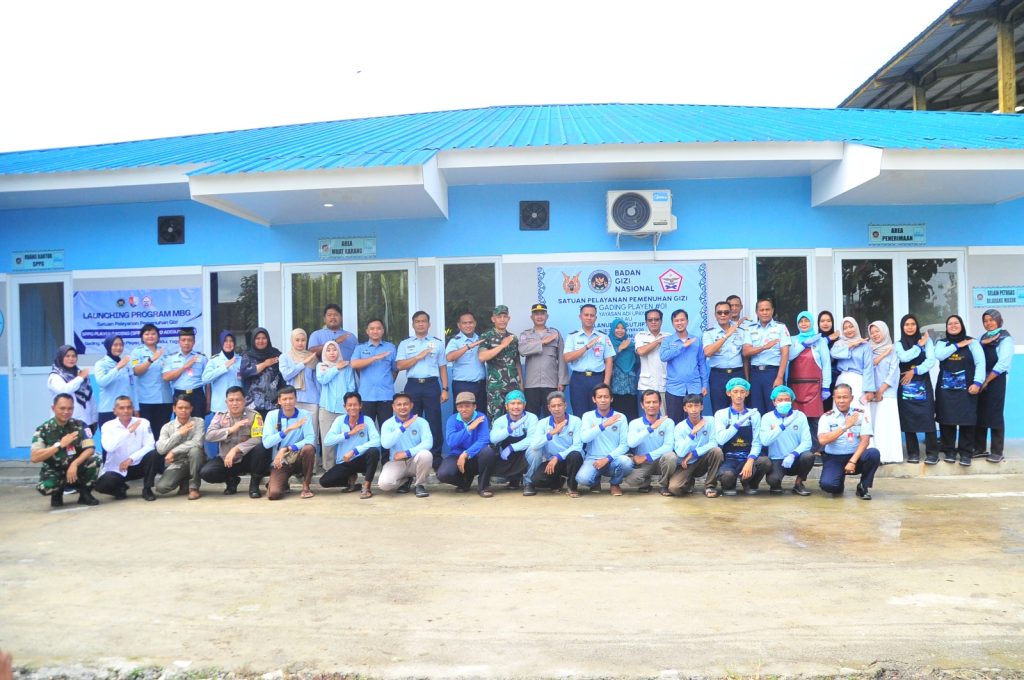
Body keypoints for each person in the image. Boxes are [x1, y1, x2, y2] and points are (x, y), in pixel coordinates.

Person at [396, 311, 448, 470]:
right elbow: (400, 365)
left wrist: (445, 388)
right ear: (413, 324)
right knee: (411, 421)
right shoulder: (405, 344)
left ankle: (436, 457)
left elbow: (442, 367)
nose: (420, 324)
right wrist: (418, 356)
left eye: (423, 321)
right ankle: (412, 457)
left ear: (429, 324)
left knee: (434, 422)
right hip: (412, 386)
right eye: (417, 321)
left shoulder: (437, 343)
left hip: (431, 385)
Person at [201, 386, 272, 498]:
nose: (234, 403)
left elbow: (258, 438)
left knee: (262, 448)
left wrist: (236, 449)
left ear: (245, 400)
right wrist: (231, 430)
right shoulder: (220, 416)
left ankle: (254, 485)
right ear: (226, 402)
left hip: (247, 459)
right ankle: (231, 480)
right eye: (231, 400)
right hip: (227, 460)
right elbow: (209, 436)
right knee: (207, 472)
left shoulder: (254, 415)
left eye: (238, 400)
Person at [30, 394, 100, 508]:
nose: (66, 412)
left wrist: (74, 464)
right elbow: (35, 457)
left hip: (76, 468)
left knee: (96, 459)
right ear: (53, 408)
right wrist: (59, 445)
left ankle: (85, 493)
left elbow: (90, 449)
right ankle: (57, 492)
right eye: (62, 408)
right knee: (45, 487)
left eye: (70, 408)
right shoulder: (43, 429)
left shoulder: (80, 425)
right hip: (55, 470)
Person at [934, 314, 984, 466]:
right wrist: (957, 345)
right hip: (945, 390)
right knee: (946, 420)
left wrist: (977, 383)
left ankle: (965, 453)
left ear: (961, 325)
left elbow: (980, 363)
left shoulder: (972, 343)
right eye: (950, 324)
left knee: (967, 420)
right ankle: (949, 451)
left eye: (956, 323)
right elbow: (939, 355)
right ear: (946, 327)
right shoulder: (942, 343)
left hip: (967, 389)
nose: (953, 326)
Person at [817, 383, 881, 499]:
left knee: (873, 453)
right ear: (834, 398)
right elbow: (822, 440)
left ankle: (863, 486)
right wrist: (845, 427)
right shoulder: (826, 417)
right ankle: (838, 482)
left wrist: (852, 461)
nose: (841, 401)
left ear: (851, 398)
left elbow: (865, 441)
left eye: (845, 397)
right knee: (828, 486)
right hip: (834, 457)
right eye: (838, 397)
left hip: (856, 456)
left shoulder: (860, 414)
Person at [95, 395, 158, 501]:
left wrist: (131, 459)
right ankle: (120, 489)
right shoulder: (107, 426)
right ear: (115, 411)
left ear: (133, 409)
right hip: (117, 468)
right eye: (121, 408)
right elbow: (109, 448)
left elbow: (149, 445)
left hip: (138, 465)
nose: (126, 411)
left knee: (154, 454)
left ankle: (147, 489)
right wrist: (128, 432)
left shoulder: (143, 422)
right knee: (101, 486)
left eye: (129, 407)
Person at [713, 378, 769, 496]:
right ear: (728, 393)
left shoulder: (754, 414)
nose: (739, 395)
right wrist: (737, 424)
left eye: (742, 392)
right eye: (735, 391)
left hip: (747, 456)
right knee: (727, 476)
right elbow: (721, 439)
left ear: (747, 393)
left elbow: (757, 441)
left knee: (765, 462)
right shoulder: (721, 414)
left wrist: (750, 460)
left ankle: (749, 483)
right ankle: (729, 484)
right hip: (729, 458)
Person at [478, 390, 540, 497]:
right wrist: (509, 430)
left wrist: (511, 447)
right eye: (512, 403)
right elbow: (493, 439)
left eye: (519, 403)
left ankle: (528, 483)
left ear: (524, 405)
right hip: (506, 459)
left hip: (523, 457)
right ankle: (510, 479)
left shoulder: (532, 418)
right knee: (487, 452)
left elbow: (532, 439)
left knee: (535, 450)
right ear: (506, 406)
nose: (516, 407)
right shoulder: (500, 421)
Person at [320, 392, 381, 499]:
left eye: (355, 404)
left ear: (360, 405)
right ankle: (350, 482)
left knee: (373, 452)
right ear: (345, 407)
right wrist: (349, 433)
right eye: (349, 405)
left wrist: (354, 451)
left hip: (361, 460)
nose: (352, 407)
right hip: (345, 461)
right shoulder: (339, 420)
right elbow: (327, 441)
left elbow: (377, 441)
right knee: (324, 481)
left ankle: (366, 487)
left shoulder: (367, 420)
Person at [895, 314, 938, 464]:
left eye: (913, 324)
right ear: (902, 327)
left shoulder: (927, 341)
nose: (910, 327)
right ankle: (913, 453)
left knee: (928, 417)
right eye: (906, 324)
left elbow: (931, 361)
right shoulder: (898, 344)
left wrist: (915, 371)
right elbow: (904, 358)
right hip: (905, 385)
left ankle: (932, 453)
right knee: (908, 419)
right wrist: (919, 346)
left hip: (922, 382)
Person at [261, 386, 316, 500]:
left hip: (299, 457)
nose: (288, 402)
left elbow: (310, 438)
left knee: (309, 449)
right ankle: (281, 484)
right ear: (279, 401)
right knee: (273, 494)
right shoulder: (272, 415)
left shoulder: (304, 414)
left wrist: (287, 448)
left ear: (296, 399)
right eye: (284, 399)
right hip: (281, 461)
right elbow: (266, 443)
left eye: (291, 398)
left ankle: (306, 485)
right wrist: (287, 430)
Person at [576, 383, 632, 496]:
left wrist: (607, 458)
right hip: (593, 459)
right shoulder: (587, 416)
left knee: (627, 462)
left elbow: (625, 445)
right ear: (594, 399)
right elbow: (584, 438)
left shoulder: (620, 417)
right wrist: (603, 425)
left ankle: (615, 484)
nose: (603, 400)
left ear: (611, 399)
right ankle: (595, 481)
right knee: (582, 479)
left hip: (613, 459)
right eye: (599, 397)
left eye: (606, 397)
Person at [758, 386, 814, 495]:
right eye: (780, 400)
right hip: (777, 459)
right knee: (773, 481)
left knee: (808, 456)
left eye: (787, 400)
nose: (783, 402)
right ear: (774, 402)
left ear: (791, 401)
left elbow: (807, 442)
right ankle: (777, 484)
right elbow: (765, 441)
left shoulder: (800, 416)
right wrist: (781, 427)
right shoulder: (767, 417)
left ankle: (799, 483)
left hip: (796, 458)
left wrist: (793, 454)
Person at [787, 311, 830, 451]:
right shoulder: (792, 340)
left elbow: (826, 365)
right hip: (795, 386)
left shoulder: (820, 341)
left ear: (811, 323)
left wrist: (826, 386)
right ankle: (798, 449)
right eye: (801, 321)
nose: (804, 324)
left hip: (815, 386)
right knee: (796, 419)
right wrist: (804, 344)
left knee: (815, 420)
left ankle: (818, 450)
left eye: (806, 321)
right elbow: (790, 356)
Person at [563, 304, 615, 418]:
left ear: (596, 318)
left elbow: (609, 360)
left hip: (597, 378)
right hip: (578, 379)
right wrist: (586, 347)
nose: (589, 318)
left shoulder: (603, 336)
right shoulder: (573, 336)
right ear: (580, 317)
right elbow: (567, 358)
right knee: (579, 412)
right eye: (586, 315)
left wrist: (606, 383)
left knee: (599, 412)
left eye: (592, 315)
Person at [528, 391, 585, 496]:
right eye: (553, 406)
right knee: (537, 480)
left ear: (565, 406)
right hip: (552, 462)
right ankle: (558, 481)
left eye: (560, 405)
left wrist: (558, 457)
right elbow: (534, 445)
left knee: (575, 455)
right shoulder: (542, 423)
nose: (557, 408)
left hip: (571, 461)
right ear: (549, 408)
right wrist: (551, 433)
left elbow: (577, 446)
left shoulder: (576, 421)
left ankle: (572, 487)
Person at [377, 392, 433, 497]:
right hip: (396, 462)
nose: (402, 407)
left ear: (411, 405)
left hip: (415, 460)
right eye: (399, 404)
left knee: (426, 455)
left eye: (405, 404)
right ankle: (406, 481)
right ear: (393, 407)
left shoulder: (421, 422)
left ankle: (420, 485)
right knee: (384, 484)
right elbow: (385, 444)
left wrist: (407, 453)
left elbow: (428, 443)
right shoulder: (388, 424)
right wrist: (403, 427)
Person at [669, 393, 724, 497]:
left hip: (702, 460)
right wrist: (692, 434)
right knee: (674, 488)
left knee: (717, 451)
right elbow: (680, 452)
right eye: (690, 406)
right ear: (685, 408)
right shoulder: (679, 427)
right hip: (685, 464)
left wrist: (694, 453)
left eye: (696, 405)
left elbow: (714, 442)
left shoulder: (710, 421)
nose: (693, 410)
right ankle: (689, 482)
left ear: (702, 407)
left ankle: (710, 486)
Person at [518, 303, 568, 418]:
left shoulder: (555, 334)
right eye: (536, 314)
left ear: (547, 316)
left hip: (551, 383)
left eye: (542, 314)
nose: (539, 316)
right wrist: (542, 342)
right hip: (531, 384)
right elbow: (522, 350)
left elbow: (562, 358)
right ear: (531, 317)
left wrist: (562, 381)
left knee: (552, 416)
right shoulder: (525, 334)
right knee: (531, 416)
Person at [279, 328, 321, 463]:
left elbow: (316, 380)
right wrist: (303, 363)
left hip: (312, 399)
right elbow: (287, 375)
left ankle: (311, 466)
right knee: (294, 433)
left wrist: (320, 399)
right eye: (297, 340)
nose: (300, 343)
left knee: (312, 433)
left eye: (303, 340)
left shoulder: (312, 357)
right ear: (292, 341)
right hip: (292, 400)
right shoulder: (285, 357)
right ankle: (291, 463)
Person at [622, 390, 676, 495]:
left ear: (660, 404)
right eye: (648, 402)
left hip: (661, 460)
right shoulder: (635, 423)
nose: (651, 405)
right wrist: (650, 429)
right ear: (642, 405)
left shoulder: (668, 422)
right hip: (643, 463)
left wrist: (647, 456)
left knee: (671, 457)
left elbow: (668, 446)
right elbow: (631, 443)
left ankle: (664, 485)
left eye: (655, 402)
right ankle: (646, 483)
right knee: (631, 480)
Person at [742, 298, 790, 414]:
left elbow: (785, 353)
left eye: (767, 309)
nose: (765, 312)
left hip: (773, 373)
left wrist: (779, 377)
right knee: (756, 410)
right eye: (761, 310)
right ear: (756, 312)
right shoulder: (750, 328)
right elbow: (746, 352)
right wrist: (764, 347)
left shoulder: (780, 327)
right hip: (755, 374)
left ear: (772, 310)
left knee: (775, 408)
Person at [976, 309, 1012, 463]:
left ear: (998, 320)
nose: (988, 323)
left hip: (996, 379)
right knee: (979, 412)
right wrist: (982, 343)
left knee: (995, 413)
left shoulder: (1005, 338)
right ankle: (979, 448)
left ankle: (997, 451)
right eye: (985, 321)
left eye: (991, 320)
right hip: (981, 379)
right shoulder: (982, 338)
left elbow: (1003, 363)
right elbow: (975, 353)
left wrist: (987, 381)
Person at [478, 305, 525, 424]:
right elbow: (482, 357)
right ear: (493, 319)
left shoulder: (513, 338)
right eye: (499, 317)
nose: (502, 320)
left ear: (509, 318)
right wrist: (502, 345)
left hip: (513, 386)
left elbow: (516, 362)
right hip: (496, 388)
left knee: (515, 419)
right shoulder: (486, 336)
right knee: (496, 420)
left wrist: (521, 384)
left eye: (505, 317)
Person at [660, 309, 708, 423]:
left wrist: (704, 385)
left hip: (694, 387)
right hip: (674, 389)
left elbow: (702, 363)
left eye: (682, 320)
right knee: (674, 422)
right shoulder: (667, 340)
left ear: (687, 321)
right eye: (676, 320)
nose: (679, 323)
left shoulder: (696, 340)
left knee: (695, 421)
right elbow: (663, 357)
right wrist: (682, 346)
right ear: (672, 323)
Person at [864, 320, 903, 464]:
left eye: (877, 331)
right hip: (871, 393)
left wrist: (881, 390)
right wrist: (873, 390)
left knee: (886, 425)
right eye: (872, 332)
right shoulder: (868, 349)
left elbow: (894, 372)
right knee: (874, 425)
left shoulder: (893, 350)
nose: (875, 335)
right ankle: (875, 456)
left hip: (887, 393)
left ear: (884, 331)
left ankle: (888, 456)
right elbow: (868, 366)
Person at [437, 391, 490, 493]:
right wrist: (468, 429)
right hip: (457, 455)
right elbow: (451, 442)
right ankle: (464, 483)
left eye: (467, 406)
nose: (464, 409)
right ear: (457, 408)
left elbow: (484, 440)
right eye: (460, 406)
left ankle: (483, 487)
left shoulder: (481, 417)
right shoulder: (452, 420)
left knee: (488, 452)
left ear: (474, 406)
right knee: (443, 474)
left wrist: (466, 454)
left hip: (476, 456)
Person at [351, 319, 398, 429]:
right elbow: (354, 364)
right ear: (367, 331)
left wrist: (387, 382)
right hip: (366, 396)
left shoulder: (390, 348)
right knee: (365, 430)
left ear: (383, 331)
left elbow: (395, 369)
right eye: (372, 329)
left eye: (378, 328)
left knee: (386, 430)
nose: (375, 331)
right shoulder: (360, 348)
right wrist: (374, 358)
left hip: (386, 396)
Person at [155, 395, 206, 499]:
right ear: (174, 408)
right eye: (180, 407)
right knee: (161, 488)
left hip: (196, 459)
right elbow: (161, 449)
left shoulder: (198, 422)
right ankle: (184, 481)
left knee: (195, 451)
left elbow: (198, 442)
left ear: (191, 409)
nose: (183, 410)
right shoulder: (167, 427)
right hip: (177, 463)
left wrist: (173, 451)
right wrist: (178, 434)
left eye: (186, 408)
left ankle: (194, 488)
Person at [317, 339, 356, 472]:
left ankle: (344, 467)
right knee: (327, 439)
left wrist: (350, 406)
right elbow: (322, 379)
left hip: (344, 409)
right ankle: (329, 468)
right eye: (328, 350)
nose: (332, 353)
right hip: (326, 408)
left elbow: (351, 386)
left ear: (339, 351)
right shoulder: (321, 366)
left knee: (345, 438)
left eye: (334, 349)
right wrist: (335, 368)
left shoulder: (347, 367)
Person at [130, 323, 172, 438]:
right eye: (147, 334)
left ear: (158, 336)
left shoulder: (165, 351)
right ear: (142, 337)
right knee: (147, 434)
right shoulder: (137, 352)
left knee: (162, 434)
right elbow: (136, 371)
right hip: (146, 400)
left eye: (153, 333)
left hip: (165, 399)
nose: (150, 336)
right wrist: (151, 360)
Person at [703, 301, 745, 414]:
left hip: (737, 374)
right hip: (718, 376)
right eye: (719, 312)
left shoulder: (741, 331)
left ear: (730, 314)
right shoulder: (709, 333)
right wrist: (726, 335)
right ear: (715, 314)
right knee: (719, 410)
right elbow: (708, 352)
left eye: (726, 312)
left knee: (739, 409)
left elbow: (746, 355)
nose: (723, 315)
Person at [161, 326, 209, 418]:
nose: (186, 343)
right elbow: (166, 377)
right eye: (183, 340)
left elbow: (208, 383)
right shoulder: (171, 358)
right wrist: (184, 367)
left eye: (189, 340)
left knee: (198, 424)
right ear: (179, 342)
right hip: (179, 395)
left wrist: (208, 401)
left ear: (194, 342)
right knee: (180, 424)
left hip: (197, 395)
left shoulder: (202, 358)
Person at [47, 345, 96, 431]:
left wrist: (94, 419)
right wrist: (80, 378)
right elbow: (64, 390)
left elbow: (90, 397)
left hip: (85, 421)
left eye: (73, 356)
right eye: (67, 356)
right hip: (64, 422)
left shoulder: (80, 373)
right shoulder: (55, 376)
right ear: (61, 357)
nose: (71, 359)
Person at [446, 311, 487, 412]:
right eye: (464, 323)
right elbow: (449, 357)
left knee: (481, 414)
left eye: (470, 322)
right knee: (463, 415)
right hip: (463, 385)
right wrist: (468, 347)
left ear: (475, 323)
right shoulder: (455, 341)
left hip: (481, 385)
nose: (468, 325)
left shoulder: (481, 339)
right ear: (459, 325)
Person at [830, 316, 877, 406]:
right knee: (840, 407)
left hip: (859, 381)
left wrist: (869, 390)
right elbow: (833, 354)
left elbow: (868, 367)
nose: (848, 330)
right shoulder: (839, 344)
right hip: (842, 380)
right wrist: (851, 345)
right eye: (845, 328)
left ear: (856, 327)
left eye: (851, 326)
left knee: (858, 408)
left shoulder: (865, 345)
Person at [240, 327, 284, 415]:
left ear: (268, 339)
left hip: (273, 404)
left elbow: (282, 378)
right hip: (252, 405)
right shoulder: (248, 355)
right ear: (253, 340)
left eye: (264, 338)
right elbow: (244, 373)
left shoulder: (276, 354)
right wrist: (265, 364)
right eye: (257, 338)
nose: (261, 341)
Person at [93, 334, 134, 429]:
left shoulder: (126, 364)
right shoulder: (101, 363)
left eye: (121, 345)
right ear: (108, 346)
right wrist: (117, 368)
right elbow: (102, 382)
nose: (118, 348)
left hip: (125, 409)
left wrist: (135, 407)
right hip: (108, 409)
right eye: (115, 345)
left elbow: (132, 386)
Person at [635, 308, 670, 409]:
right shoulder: (640, 336)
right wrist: (657, 341)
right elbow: (641, 352)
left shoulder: (669, 337)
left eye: (656, 319)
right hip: (647, 384)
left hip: (664, 383)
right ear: (646, 322)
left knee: (664, 415)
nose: (653, 322)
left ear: (661, 321)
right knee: (649, 414)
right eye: (650, 320)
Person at [202, 331, 243, 417]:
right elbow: (205, 379)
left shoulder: (240, 359)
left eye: (231, 341)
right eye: (225, 341)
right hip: (220, 407)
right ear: (221, 343)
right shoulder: (214, 360)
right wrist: (224, 367)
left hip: (237, 405)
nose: (228, 343)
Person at [608, 318, 639, 421]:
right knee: (616, 419)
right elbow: (606, 361)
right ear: (613, 329)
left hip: (630, 387)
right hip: (615, 388)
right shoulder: (608, 344)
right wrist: (619, 349)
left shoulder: (631, 345)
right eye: (617, 328)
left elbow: (637, 363)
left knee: (631, 418)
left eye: (623, 328)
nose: (620, 330)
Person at [817, 311, 841, 411]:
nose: (825, 323)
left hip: (836, 381)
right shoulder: (815, 340)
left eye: (828, 321)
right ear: (818, 323)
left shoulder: (839, 341)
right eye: (822, 321)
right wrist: (828, 339)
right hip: (819, 380)